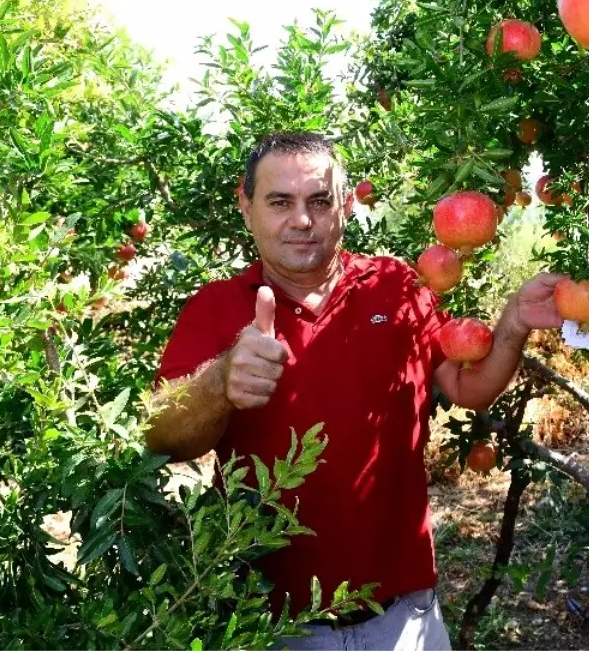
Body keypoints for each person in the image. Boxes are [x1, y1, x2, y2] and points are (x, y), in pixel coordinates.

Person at [145, 131, 563, 650]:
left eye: (319, 202)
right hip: (273, 623)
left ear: (345, 206)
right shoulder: (214, 308)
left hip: (404, 613)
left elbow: (466, 386)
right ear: (246, 206)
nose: (302, 220)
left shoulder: (395, 284)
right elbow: (164, 436)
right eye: (280, 202)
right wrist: (220, 379)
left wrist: (515, 323)